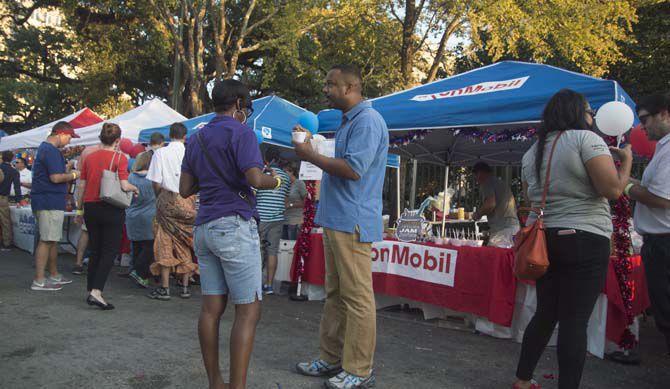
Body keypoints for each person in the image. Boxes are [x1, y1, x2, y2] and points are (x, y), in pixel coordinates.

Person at [513, 89, 632, 389]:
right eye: (589, 111)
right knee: (575, 320)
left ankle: (523, 380)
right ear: (577, 113)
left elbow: (530, 194)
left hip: (544, 240)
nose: (592, 117)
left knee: (545, 313)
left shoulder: (532, 151)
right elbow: (613, 190)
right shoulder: (587, 140)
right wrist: (626, 162)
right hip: (584, 237)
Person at [179, 79, 281, 389]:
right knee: (248, 310)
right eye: (246, 108)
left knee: (211, 310)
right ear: (238, 104)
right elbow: (254, 178)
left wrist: (212, 178)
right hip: (234, 226)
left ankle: (215, 383)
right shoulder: (242, 132)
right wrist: (273, 181)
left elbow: (184, 189)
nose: (246, 114)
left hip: (205, 227)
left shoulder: (196, 139)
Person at [293, 64, 388, 389]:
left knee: (357, 297)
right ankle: (332, 358)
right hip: (337, 218)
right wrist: (313, 151)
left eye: (331, 84)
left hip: (353, 220)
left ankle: (359, 370)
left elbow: (352, 170)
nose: (325, 89)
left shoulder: (368, 121)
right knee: (336, 294)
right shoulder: (350, 121)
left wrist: (309, 154)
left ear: (350, 88)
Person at [627, 93, 670, 357]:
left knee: (666, 313)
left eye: (645, 120)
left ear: (664, 113)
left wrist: (626, 186)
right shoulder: (663, 148)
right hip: (659, 241)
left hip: (664, 242)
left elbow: (663, 199)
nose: (642, 127)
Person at [77, 123, 138, 310]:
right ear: (118, 140)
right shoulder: (120, 158)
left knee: (95, 249)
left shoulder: (89, 157)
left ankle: (91, 288)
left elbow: (81, 185)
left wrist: (80, 209)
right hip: (110, 207)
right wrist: (135, 189)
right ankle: (96, 292)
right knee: (109, 250)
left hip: (90, 206)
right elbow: (125, 184)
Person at [146, 122, 197, 300]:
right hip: (188, 200)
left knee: (164, 241)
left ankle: (165, 287)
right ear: (185, 137)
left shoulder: (160, 153)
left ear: (170, 135)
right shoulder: (191, 153)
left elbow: (155, 181)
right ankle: (184, 287)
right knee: (184, 241)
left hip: (167, 198)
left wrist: (159, 197)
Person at [30, 122, 80, 290]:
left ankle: (52, 274)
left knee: (51, 239)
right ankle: (39, 280)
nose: (69, 141)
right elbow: (55, 178)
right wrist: (74, 174)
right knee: (47, 240)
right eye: (69, 137)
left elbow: (54, 174)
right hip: (49, 200)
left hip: (49, 200)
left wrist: (66, 169)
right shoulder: (50, 150)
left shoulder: (47, 149)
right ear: (61, 134)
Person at [256, 148, 290, 295]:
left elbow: (254, 193)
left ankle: (255, 284)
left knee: (257, 251)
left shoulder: (262, 174)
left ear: (266, 159)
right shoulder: (286, 178)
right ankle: (269, 285)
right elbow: (285, 196)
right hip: (277, 219)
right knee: (272, 252)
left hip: (262, 217)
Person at [125, 151, 157, 288]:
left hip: (132, 215)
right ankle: (141, 272)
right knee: (149, 246)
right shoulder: (153, 178)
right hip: (149, 215)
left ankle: (136, 271)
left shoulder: (131, 177)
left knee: (137, 245)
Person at [471, 162, 520, 248]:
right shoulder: (499, 183)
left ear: (479, 173)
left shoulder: (487, 183)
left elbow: (490, 204)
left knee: (494, 258)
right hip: (513, 228)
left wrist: (477, 214)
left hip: (502, 231)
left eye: (475, 175)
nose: (476, 179)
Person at [72, 143, 101, 275]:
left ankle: (78, 262)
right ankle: (96, 264)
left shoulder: (87, 151)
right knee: (100, 232)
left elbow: (80, 179)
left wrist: (78, 208)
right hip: (104, 198)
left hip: (88, 197)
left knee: (85, 231)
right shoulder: (115, 153)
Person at [0, 150, 21, 250]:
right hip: (3, 198)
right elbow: (17, 187)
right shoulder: (14, 171)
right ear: (12, 158)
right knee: (5, 221)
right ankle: (7, 242)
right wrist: (18, 200)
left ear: (2, 158)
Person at [283, 163, 307, 240]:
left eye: (285, 172)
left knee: (291, 248)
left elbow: (306, 201)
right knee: (283, 249)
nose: (283, 174)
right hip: (283, 220)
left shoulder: (299, 183)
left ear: (291, 172)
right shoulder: (284, 184)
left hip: (295, 220)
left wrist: (291, 205)